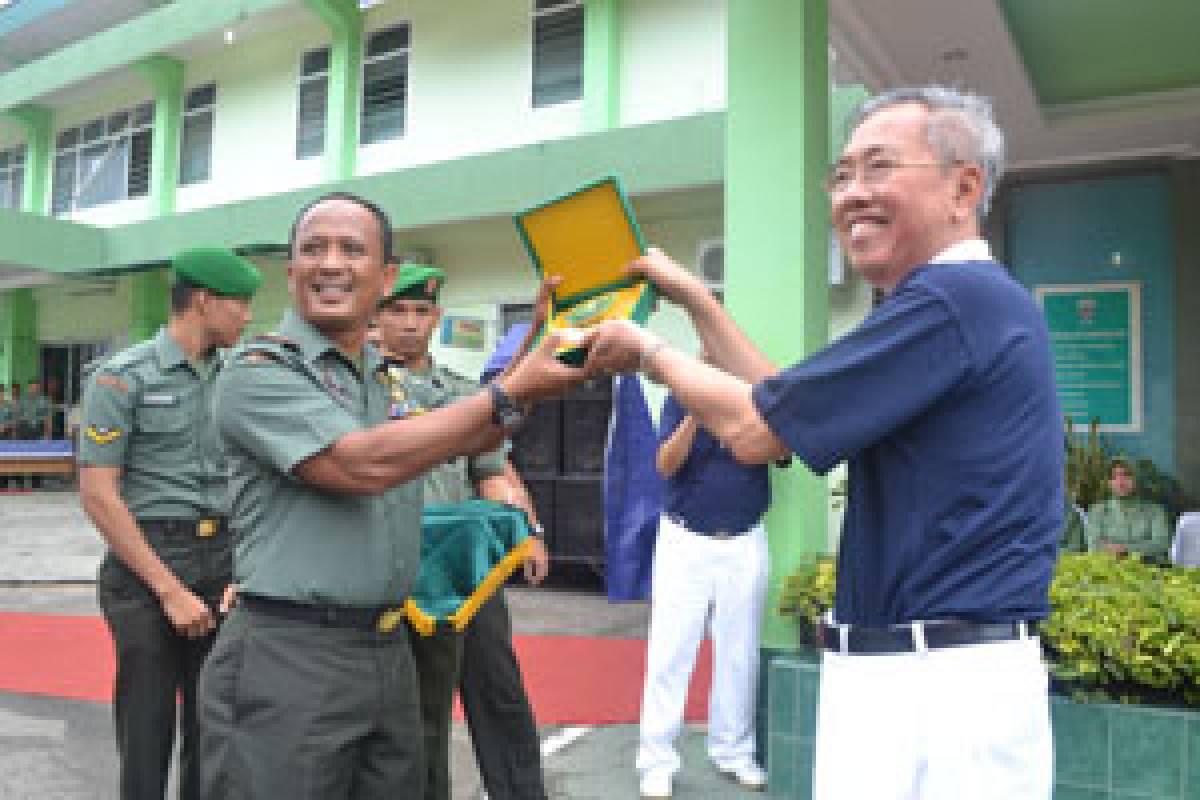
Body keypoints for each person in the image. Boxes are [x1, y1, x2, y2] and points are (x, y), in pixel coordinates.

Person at [577, 87, 1062, 800]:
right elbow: (785, 401)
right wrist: (697, 301)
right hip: (921, 672)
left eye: (879, 168)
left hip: (939, 689)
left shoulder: (951, 302)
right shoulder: (953, 305)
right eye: (841, 176)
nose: (852, 194)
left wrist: (648, 351)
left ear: (964, 189)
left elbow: (754, 431)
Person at [196, 192, 577, 800]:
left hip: (387, 649)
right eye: (313, 250)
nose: (331, 263)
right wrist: (508, 394)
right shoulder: (260, 370)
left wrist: (547, 348)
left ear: (386, 275)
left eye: (352, 249)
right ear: (291, 273)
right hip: (290, 655)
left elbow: (473, 428)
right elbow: (359, 464)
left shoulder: (384, 379)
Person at [77, 247, 262, 800]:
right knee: (147, 727)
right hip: (147, 566)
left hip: (223, 559)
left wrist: (242, 566)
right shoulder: (122, 378)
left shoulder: (239, 377)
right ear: (204, 301)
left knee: (215, 730)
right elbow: (99, 494)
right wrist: (169, 590)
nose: (248, 316)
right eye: (241, 304)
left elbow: (253, 481)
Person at [374, 264, 551, 800]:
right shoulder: (359, 388)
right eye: (396, 311)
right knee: (418, 717)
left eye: (420, 312)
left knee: (501, 697)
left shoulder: (461, 392)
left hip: (469, 573)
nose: (409, 323)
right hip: (396, 577)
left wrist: (525, 528)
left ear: (437, 317)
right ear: (376, 316)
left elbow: (491, 469)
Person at [636, 385, 770, 799]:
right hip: (685, 540)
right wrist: (696, 412)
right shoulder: (680, 397)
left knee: (739, 653)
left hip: (745, 539)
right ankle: (656, 761)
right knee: (670, 652)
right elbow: (665, 464)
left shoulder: (754, 396)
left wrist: (734, 415)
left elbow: (776, 453)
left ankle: (733, 751)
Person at [1085, 459, 1171, 563]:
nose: (1120, 482)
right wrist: (1143, 547)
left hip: (1149, 571)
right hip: (1107, 570)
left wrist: (1124, 549)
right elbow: (1094, 547)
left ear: (1136, 478)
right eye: (1114, 477)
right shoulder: (1097, 512)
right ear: (1109, 482)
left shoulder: (1155, 511)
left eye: (1127, 475)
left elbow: (1161, 544)